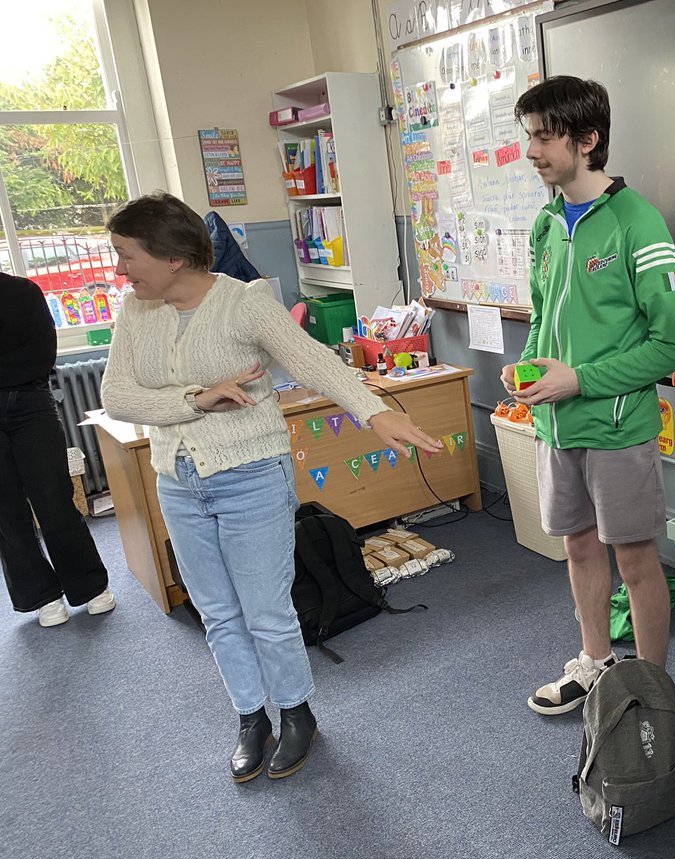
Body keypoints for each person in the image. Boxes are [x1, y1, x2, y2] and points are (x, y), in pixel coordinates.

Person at [100, 192, 442, 782]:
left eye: (127, 255)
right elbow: (117, 397)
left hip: (251, 475)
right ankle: (249, 715)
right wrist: (196, 400)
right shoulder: (136, 312)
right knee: (218, 613)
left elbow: (314, 363)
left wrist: (374, 412)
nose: (120, 270)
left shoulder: (243, 304)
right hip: (178, 481)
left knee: (264, 611)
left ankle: (295, 711)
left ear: (173, 256)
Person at [503, 75, 675, 714]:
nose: (531, 151)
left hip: (617, 428)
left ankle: (651, 692)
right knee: (578, 547)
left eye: (543, 136)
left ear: (588, 139)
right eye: (527, 135)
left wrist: (579, 379)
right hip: (557, 425)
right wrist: (528, 370)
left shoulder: (639, 223)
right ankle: (596, 661)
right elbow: (542, 319)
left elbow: (673, 346)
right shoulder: (546, 224)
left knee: (636, 560)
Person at [0, 272, 116, 625]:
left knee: (54, 499)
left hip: (30, 405)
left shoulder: (22, 291)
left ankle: (90, 587)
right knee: (6, 512)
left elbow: (41, 355)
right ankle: (42, 597)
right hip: (21, 390)